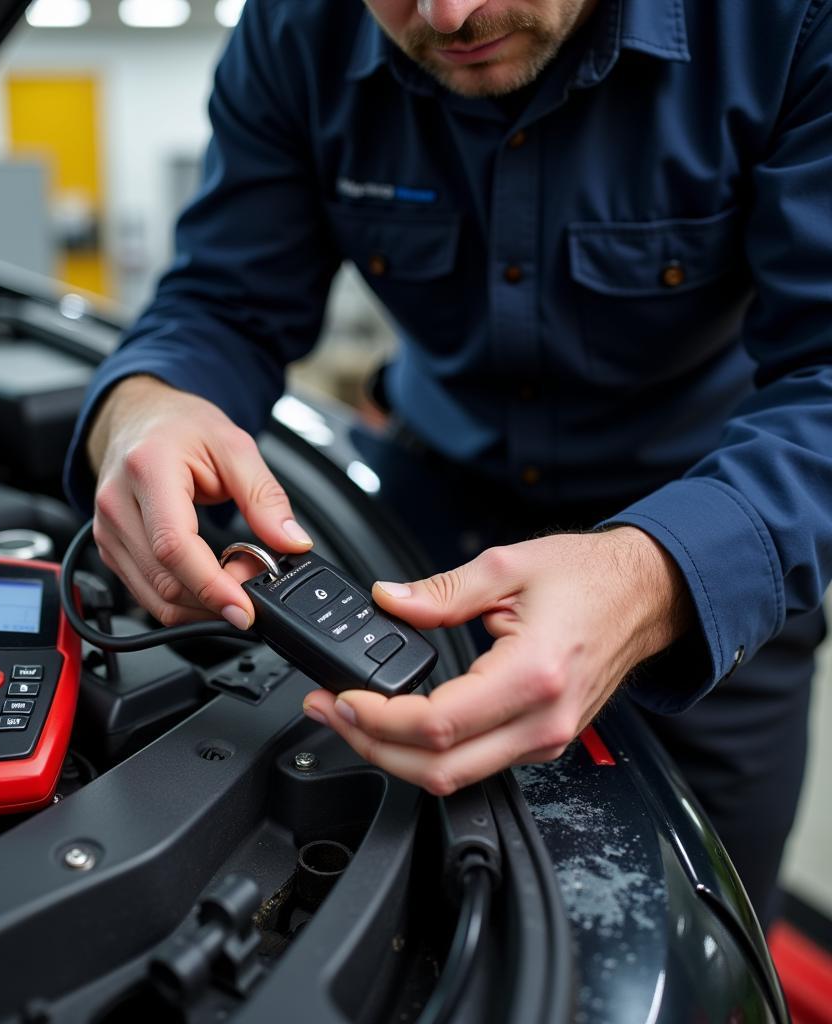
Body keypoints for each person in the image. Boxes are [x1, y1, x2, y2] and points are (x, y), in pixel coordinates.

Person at [64, 0, 832, 928]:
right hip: (418, 545)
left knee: (698, 936)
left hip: (708, 564)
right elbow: (223, 299)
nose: (448, 13)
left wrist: (658, 573)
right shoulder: (293, 28)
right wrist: (144, 405)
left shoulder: (789, 25)